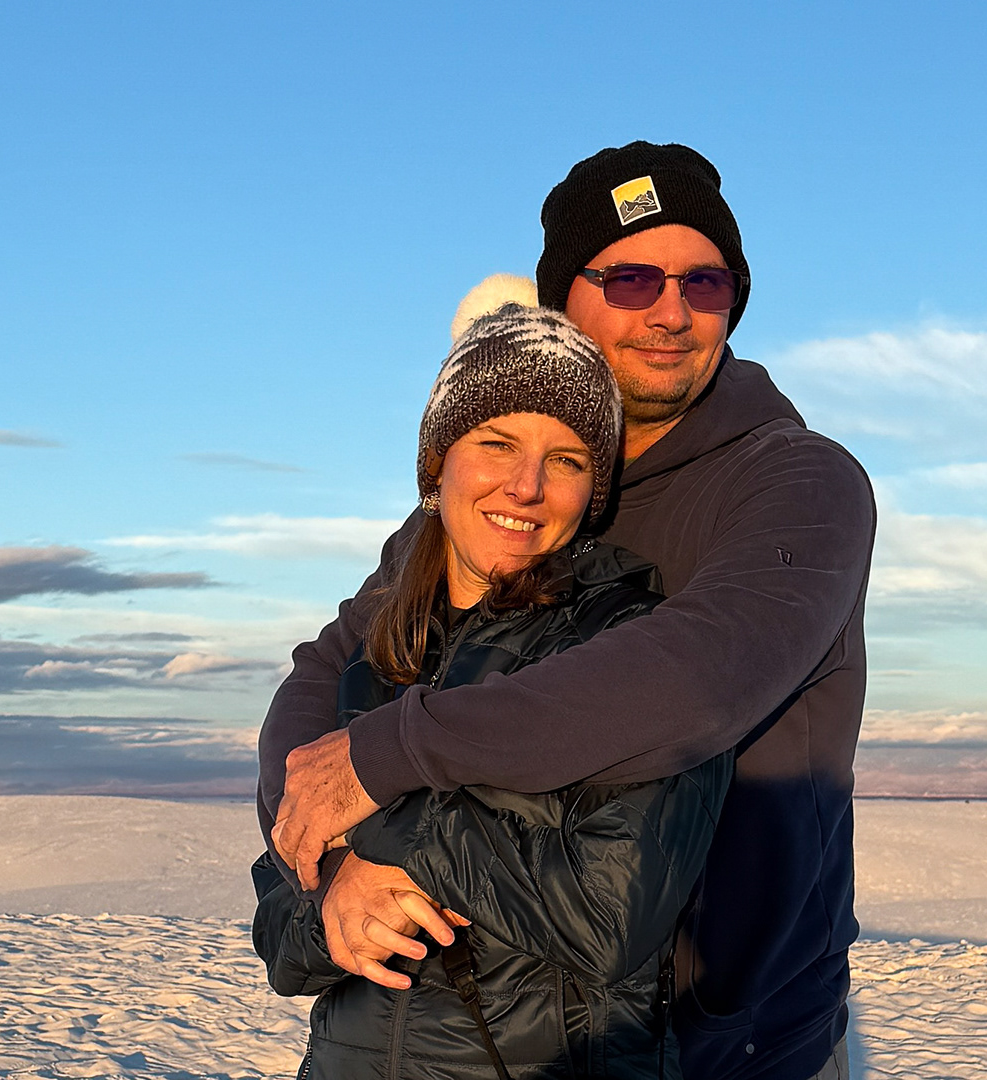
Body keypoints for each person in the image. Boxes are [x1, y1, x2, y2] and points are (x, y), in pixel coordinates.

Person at [262, 142, 876, 1080]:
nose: (671, 312)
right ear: (563, 301)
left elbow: (699, 679)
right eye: (631, 278)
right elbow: (327, 676)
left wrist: (391, 758)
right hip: (520, 1041)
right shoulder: (509, 500)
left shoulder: (797, 483)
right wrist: (335, 851)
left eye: (705, 283)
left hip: (741, 1043)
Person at [254, 285, 733, 1079]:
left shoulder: (631, 650)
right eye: (498, 444)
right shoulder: (377, 657)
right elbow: (278, 936)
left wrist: (392, 834)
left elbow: (614, 917)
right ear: (438, 465)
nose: (526, 487)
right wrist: (338, 897)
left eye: (568, 460)